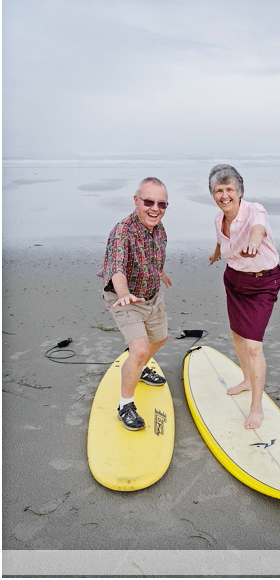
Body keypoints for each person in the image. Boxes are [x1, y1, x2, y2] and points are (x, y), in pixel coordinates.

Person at [208, 164, 280, 430]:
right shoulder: (218, 219)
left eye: (229, 189)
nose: (224, 195)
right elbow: (221, 238)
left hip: (263, 282)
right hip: (234, 279)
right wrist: (217, 252)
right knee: (238, 335)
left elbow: (257, 229)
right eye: (219, 190)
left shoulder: (255, 210)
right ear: (213, 194)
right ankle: (247, 380)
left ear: (239, 192)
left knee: (253, 345)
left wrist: (254, 241)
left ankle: (257, 407)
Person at [98, 177, 172, 430]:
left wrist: (160, 272)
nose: (155, 208)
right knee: (139, 350)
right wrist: (123, 292)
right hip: (125, 299)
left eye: (162, 204)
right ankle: (125, 405)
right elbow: (117, 268)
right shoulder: (122, 232)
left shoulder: (158, 228)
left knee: (160, 339)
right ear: (136, 201)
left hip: (152, 295)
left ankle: (137, 369)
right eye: (149, 201)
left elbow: (154, 254)